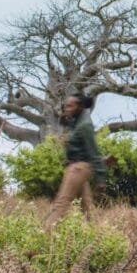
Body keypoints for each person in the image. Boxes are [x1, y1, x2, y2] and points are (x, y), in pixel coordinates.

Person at [45, 93, 106, 229]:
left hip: (78, 168)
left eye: (70, 106)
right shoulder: (77, 121)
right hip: (77, 168)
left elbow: (94, 152)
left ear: (80, 106)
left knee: (62, 202)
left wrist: (101, 177)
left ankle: (44, 235)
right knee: (88, 207)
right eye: (66, 106)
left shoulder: (85, 125)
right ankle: (97, 236)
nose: (66, 109)